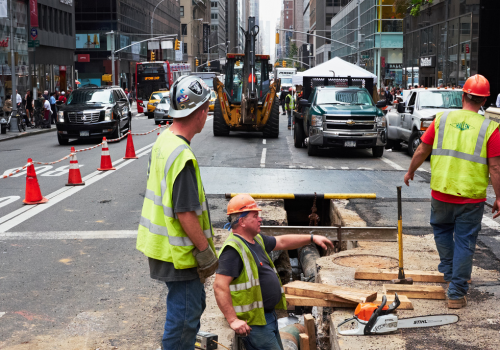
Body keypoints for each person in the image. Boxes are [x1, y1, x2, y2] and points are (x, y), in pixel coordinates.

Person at [403, 74, 500, 309]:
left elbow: (422, 149)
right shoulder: (491, 127)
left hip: (441, 190)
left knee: (443, 231)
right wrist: (499, 196)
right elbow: (496, 167)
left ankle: (449, 271)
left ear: (464, 95)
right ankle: (456, 293)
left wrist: (410, 171)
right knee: (465, 241)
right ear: (484, 101)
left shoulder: (442, 119)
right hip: (471, 195)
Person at [136, 75, 218, 350]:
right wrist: (205, 251)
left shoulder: (163, 141)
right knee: (183, 319)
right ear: (200, 112)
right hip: (178, 254)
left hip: (162, 248)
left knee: (187, 309)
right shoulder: (182, 156)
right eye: (207, 108)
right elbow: (185, 213)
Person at [214, 194, 334, 350]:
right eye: (255, 215)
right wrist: (233, 320)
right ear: (241, 221)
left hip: (267, 316)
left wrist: (311, 238)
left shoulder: (255, 239)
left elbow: (282, 241)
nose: (260, 219)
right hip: (254, 323)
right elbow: (219, 286)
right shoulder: (233, 250)